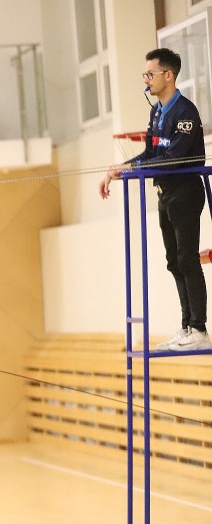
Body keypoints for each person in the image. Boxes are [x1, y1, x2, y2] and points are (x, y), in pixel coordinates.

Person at [100, 47, 209, 351]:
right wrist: (121, 168)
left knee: (187, 259)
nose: (146, 80)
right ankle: (186, 326)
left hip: (185, 192)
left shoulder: (185, 112)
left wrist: (132, 168)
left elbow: (173, 159)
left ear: (168, 75)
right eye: (145, 74)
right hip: (165, 193)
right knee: (173, 261)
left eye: (150, 74)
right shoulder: (157, 112)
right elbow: (151, 153)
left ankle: (199, 329)